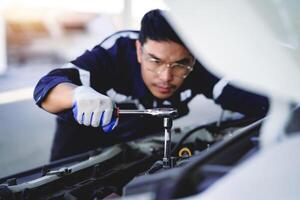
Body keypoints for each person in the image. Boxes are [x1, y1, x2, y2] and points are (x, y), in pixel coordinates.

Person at [34, 9, 269, 161]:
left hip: (143, 152)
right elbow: (48, 87)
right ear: (139, 50)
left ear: (193, 58)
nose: (166, 77)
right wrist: (77, 94)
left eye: (180, 64)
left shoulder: (198, 64)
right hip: (82, 156)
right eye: (154, 61)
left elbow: (248, 98)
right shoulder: (117, 51)